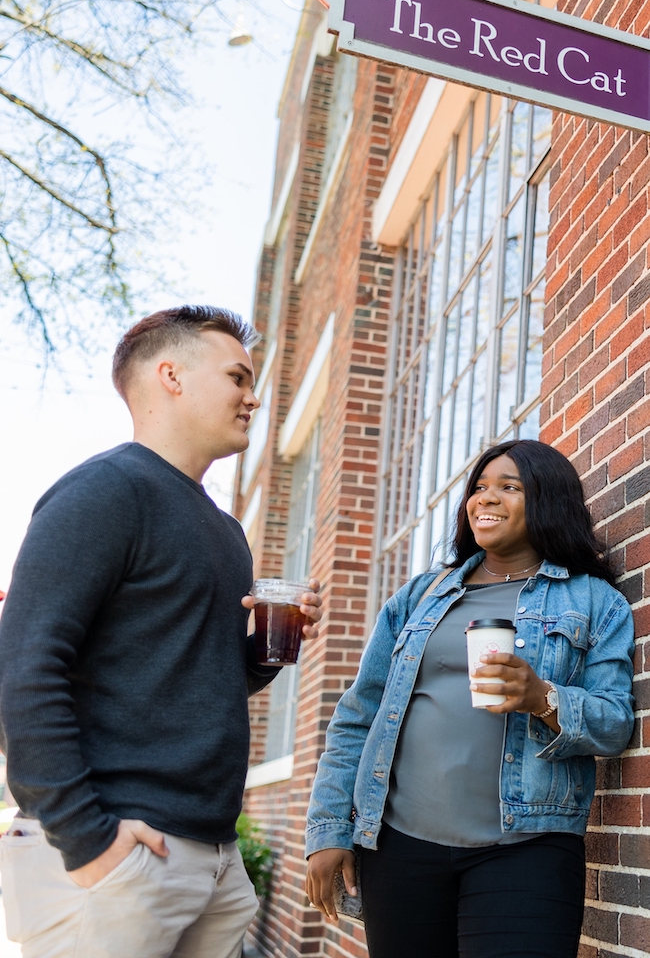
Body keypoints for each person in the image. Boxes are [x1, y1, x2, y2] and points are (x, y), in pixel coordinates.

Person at [0, 305, 322, 958]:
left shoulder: (227, 532)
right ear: (170, 375)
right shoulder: (104, 490)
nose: (252, 397)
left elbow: (201, 678)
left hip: (214, 860)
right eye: (237, 377)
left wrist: (264, 650)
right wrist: (88, 842)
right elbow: (22, 668)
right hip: (119, 854)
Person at [305, 439, 634, 958]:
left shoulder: (595, 601)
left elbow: (615, 723)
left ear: (548, 500)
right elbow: (358, 717)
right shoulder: (420, 596)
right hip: (400, 848)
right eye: (478, 488)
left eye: (508, 487)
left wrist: (543, 698)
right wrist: (328, 832)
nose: (485, 498)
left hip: (527, 852)